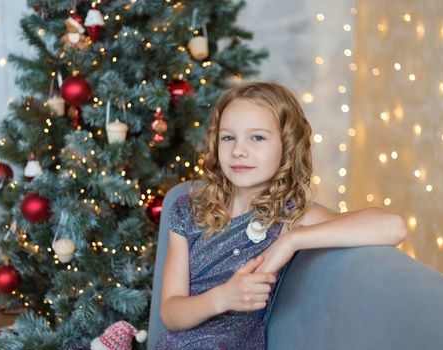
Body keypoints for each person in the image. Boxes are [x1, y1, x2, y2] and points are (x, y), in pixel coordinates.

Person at [155, 82, 407, 349]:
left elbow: (392, 227)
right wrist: (222, 298)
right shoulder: (189, 210)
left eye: (257, 138)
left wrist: (292, 240)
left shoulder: (288, 214)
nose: (239, 150)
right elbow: (171, 313)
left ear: (286, 146)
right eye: (228, 137)